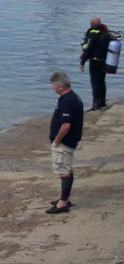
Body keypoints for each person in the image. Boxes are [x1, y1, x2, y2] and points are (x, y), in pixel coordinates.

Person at [48, 71, 84, 214]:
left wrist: (56, 141)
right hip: (70, 141)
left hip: (64, 143)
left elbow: (66, 125)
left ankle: (63, 203)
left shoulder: (68, 101)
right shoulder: (72, 98)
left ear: (61, 86)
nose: (53, 88)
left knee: (63, 170)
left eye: (54, 85)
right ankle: (64, 198)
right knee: (66, 169)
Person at [80, 17, 112, 111]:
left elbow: (88, 49)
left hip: (95, 61)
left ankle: (96, 105)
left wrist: (82, 61)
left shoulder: (93, 33)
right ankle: (102, 102)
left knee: (95, 83)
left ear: (92, 24)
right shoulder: (106, 33)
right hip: (105, 61)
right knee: (102, 82)